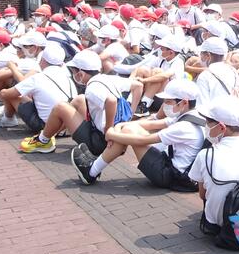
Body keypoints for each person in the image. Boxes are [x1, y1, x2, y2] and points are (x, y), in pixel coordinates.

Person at [71, 79, 206, 189]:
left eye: (168, 102)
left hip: (169, 175)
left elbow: (143, 141)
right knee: (128, 129)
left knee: (128, 133)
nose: (164, 105)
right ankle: (94, 167)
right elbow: (152, 124)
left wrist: (111, 134)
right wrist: (121, 125)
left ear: (184, 102)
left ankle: (91, 171)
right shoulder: (190, 114)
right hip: (170, 162)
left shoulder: (184, 127)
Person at [187, 98, 239, 235]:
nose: (206, 126)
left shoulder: (205, 155)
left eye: (208, 122)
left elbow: (203, 194)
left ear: (221, 127)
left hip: (220, 223)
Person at [0, 42, 74, 131]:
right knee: (28, 94)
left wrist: (1, 93)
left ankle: (8, 120)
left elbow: (6, 94)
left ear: (43, 61)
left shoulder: (38, 77)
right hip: (68, 126)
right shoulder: (68, 77)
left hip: (47, 128)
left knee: (11, 94)